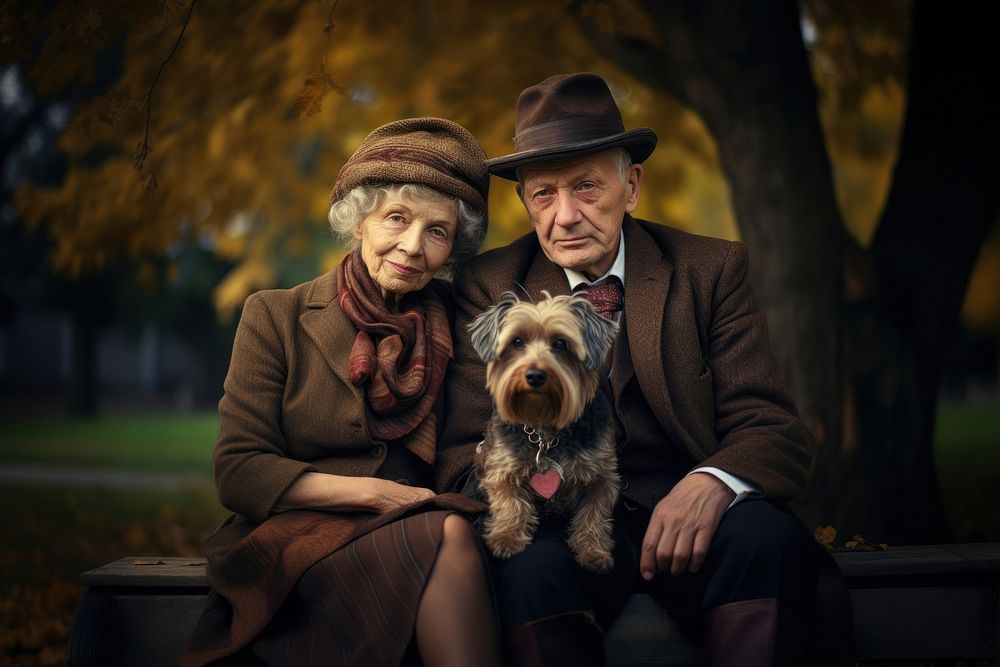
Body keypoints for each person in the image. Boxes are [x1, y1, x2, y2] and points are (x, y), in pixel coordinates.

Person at [439, 73, 852, 666]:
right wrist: (531, 485)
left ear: (630, 186)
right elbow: (459, 452)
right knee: (524, 568)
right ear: (524, 202)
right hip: (561, 526)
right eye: (543, 195)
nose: (565, 217)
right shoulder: (489, 285)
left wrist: (714, 483)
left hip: (693, 522)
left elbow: (773, 429)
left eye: (586, 188)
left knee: (768, 538)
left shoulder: (710, 269)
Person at [183, 117, 501, 667]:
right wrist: (377, 496)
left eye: (437, 232)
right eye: (396, 219)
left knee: (452, 537)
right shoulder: (274, 315)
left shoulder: (461, 318)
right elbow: (240, 470)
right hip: (297, 542)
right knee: (447, 537)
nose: (412, 246)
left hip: (421, 530)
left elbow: (471, 444)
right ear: (359, 221)